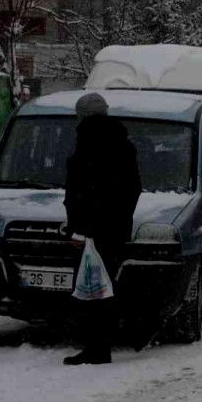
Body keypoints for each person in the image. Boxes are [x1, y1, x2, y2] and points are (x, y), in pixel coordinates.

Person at [62, 93, 141, 365]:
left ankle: (99, 346)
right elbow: (131, 189)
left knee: (91, 289)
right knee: (105, 286)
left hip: (90, 232)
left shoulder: (87, 142)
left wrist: (81, 228)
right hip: (114, 229)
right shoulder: (123, 145)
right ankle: (116, 337)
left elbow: (79, 192)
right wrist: (118, 219)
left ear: (81, 116)